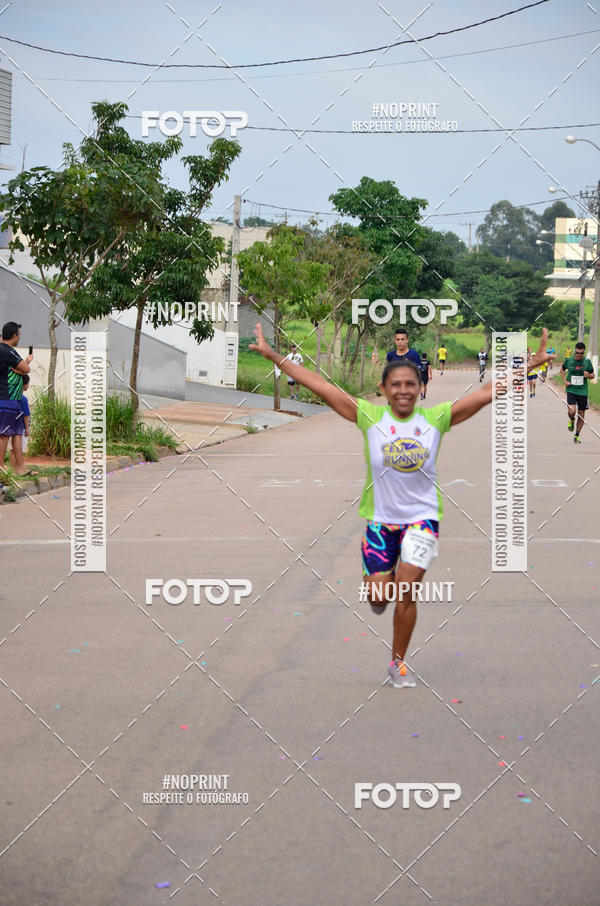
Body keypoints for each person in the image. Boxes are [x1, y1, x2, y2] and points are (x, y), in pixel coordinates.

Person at [250, 322, 552, 688]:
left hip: (422, 521)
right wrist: (273, 356)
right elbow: (322, 386)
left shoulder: (436, 419)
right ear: (384, 389)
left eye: (411, 384)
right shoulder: (370, 417)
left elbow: (487, 391)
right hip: (380, 522)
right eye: (396, 385)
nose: (404, 390)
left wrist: (530, 365)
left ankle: (398, 663)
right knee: (379, 597)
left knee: (406, 591)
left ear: (421, 388)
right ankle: (382, 586)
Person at [0, 321, 32, 475]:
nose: (20, 337)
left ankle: (20, 467)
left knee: (17, 432)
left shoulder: (8, 351)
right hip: (7, 398)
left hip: (15, 400)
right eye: (19, 334)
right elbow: (26, 369)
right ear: (14, 335)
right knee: (4, 434)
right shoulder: (7, 350)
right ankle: (0, 468)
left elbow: (20, 369)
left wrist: (19, 370)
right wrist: (23, 368)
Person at [561, 341, 594, 444]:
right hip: (571, 389)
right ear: (574, 351)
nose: (579, 355)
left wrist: (588, 375)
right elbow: (562, 370)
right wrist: (565, 381)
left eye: (581, 353)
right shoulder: (569, 361)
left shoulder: (587, 362)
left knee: (581, 413)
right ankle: (571, 419)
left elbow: (593, 374)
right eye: (577, 353)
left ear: (583, 353)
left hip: (583, 391)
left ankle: (577, 435)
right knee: (572, 411)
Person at [9, 374, 30, 471]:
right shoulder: (23, 399)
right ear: (25, 385)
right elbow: (26, 415)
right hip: (20, 427)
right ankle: (19, 467)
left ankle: (12, 466)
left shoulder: (11, 396)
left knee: (12, 449)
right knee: (19, 448)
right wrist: (27, 428)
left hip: (10, 425)